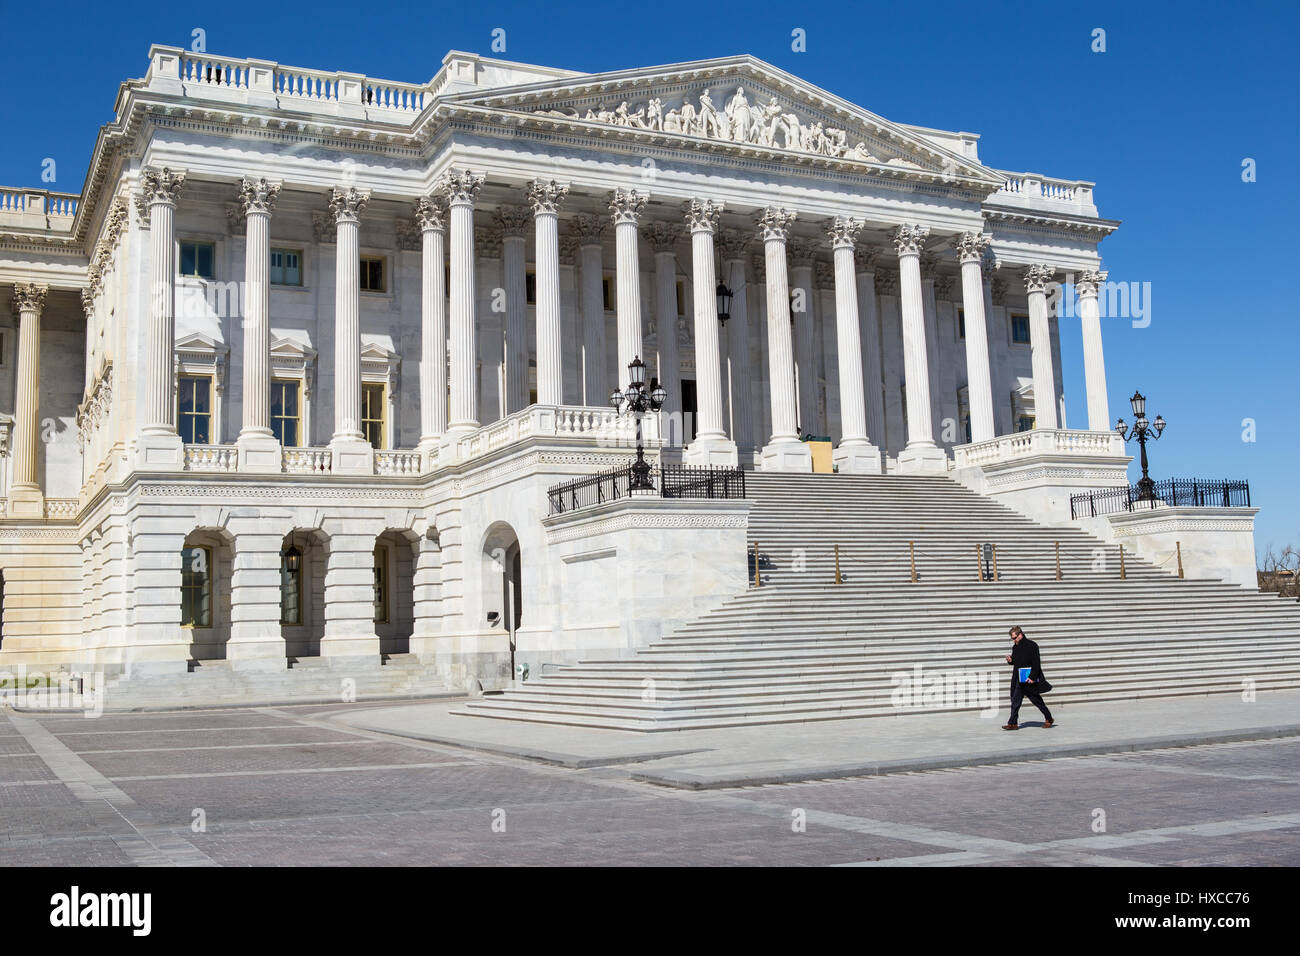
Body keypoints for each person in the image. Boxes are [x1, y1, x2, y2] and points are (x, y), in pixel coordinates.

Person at [1003, 625, 1054, 730]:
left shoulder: (1032, 645)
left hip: (1029, 679)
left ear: (1020, 635)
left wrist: (1032, 677)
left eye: (1014, 638)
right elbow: (1017, 662)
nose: (1013, 640)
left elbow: (1036, 663)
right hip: (1018, 679)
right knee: (1015, 702)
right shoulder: (1015, 647)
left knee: (1037, 701)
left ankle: (1049, 718)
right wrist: (1011, 660)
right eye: (1012, 638)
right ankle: (1013, 723)